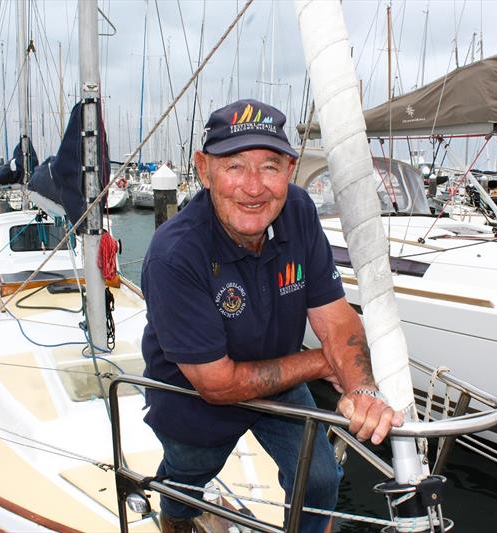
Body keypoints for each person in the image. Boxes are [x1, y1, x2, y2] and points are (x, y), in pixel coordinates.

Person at [141, 98, 403, 533]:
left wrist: (361, 387)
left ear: (290, 171)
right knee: (188, 477)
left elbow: (335, 316)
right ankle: (176, 513)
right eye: (235, 166)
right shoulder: (174, 254)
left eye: (270, 166)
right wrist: (324, 362)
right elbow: (217, 385)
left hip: (280, 381)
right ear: (204, 170)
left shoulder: (298, 212)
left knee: (320, 479)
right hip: (192, 397)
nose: (254, 186)